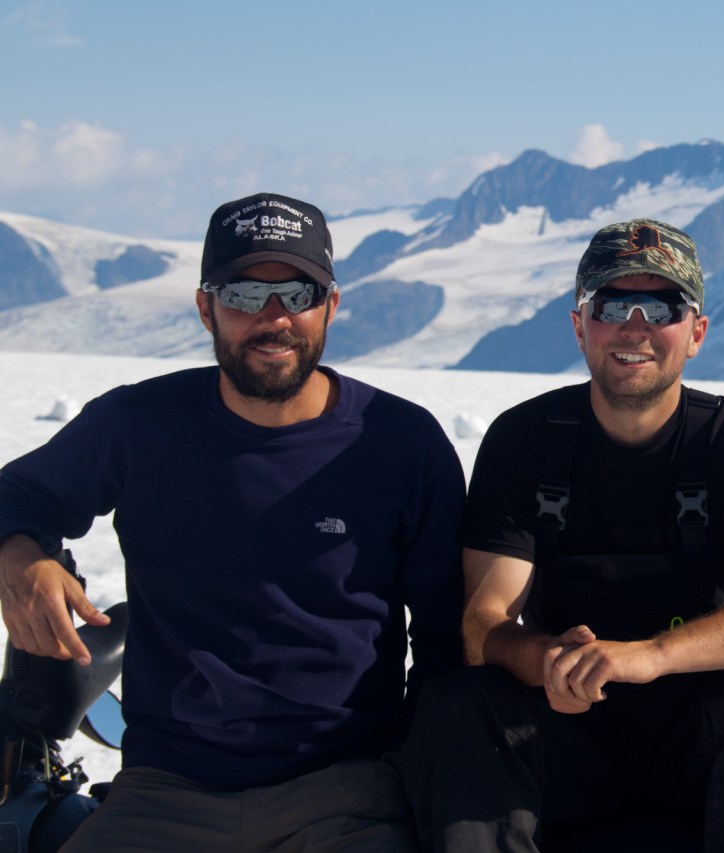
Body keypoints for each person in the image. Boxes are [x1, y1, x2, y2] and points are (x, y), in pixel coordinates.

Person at [0, 192, 466, 852]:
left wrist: (414, 780)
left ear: (330, 305)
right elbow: (15, 493)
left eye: (297, 292)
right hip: (166, 791)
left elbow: (450, 645)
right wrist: (20, 554)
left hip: (343, 793)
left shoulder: (401, 445)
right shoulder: (138, 426)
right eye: (246, 293)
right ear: (205, 307)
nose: (273, 317)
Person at [397, 218, 724, 852]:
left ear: (695, 333)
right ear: (580, 324)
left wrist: (649, 656)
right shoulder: (525, 442)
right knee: (459, 703)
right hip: (568, 733)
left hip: (707, 743)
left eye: (663, 306)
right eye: (613, 303)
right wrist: (552, 665)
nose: (635, 326)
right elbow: (484, 622)